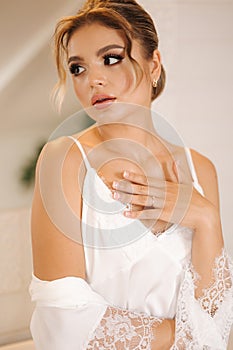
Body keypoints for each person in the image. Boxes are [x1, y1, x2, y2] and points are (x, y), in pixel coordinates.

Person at [29, 0, 233, 349]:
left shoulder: (200, 170)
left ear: (154, 65)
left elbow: (218, 318)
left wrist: (205, 218)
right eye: (77, 68)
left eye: (111, 58)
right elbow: (61, 322)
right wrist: (189, 334)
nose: (93, 79)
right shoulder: (64, 160)